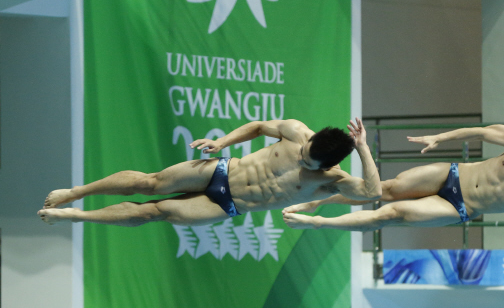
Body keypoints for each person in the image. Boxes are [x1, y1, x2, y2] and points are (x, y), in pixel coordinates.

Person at [38, 118, 381, 226]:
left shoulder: (333, 180)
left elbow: (373, 193)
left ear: (330, 166)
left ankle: (76, 216)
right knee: (149, 182)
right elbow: (261, 126)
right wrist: (222, 142)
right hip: (217, 171)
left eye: (309, 164)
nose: (302, 160)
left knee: (154, 212)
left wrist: (363, 147)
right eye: (304, 153)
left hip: (226, 206)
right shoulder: (295, 131)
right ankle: (76, 192)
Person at [283, 124, 504, 240]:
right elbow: (482, 131)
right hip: (452, 174)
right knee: (386, 190)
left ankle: (317, 223)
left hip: (458, 207)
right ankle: (318, 200)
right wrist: (440, 137)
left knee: (387, 216)